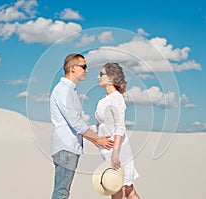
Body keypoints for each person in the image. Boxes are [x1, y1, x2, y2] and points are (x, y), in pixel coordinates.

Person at [49, 53, 114, 199]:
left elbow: (76, 121)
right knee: (61, 192)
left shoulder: (69, 90)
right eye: (84, 66)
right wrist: (97, 139)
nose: (86, 70)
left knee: (63, 191)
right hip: (66, 148)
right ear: (73, 68)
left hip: (69, 148)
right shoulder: (63, 90)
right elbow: (74, 121)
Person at [94, 63, 140, 199]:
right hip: (107, 151)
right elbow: (99, 126)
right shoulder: (102, 101)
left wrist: (115, 153)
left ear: (111, 78)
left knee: (120, 188)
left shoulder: (117, 98)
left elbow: (120, 127)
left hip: (119, 151)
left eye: (101, 74)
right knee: (128, 190)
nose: (98, 77)